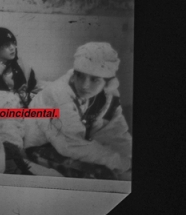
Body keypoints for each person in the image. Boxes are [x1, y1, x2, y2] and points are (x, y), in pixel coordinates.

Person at [23, 42, 132, 179]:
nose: (85, 85)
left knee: (120, 172)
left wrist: (127, 158)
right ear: (74, 73)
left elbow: (116, 133)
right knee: (99, 175)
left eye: (94, 79)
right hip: (42, 146)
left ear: (107, 82)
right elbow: (69, 144)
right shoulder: (58, 94)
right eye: (80, 76)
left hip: (77, 144)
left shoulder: (108, 96)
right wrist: (118, 161)